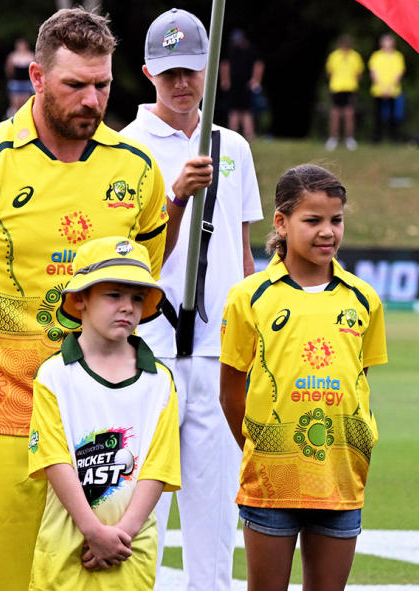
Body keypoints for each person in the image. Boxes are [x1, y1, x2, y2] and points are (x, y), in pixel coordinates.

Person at [0, 8, 168, 589]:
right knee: (3, 579)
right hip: (3, 417)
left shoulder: (138, 167)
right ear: (38, 77)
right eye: (75, 85)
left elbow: (143, 274)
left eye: (101, 85)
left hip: (101, 421)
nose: (92, 101)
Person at [119, 9, 264, 590]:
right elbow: (128, 255)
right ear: (150, 70)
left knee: (214, 513)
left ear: (211, 71)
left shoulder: (233, 147)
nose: (182, 84)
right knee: (137, 510)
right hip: (148, 348)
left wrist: (254, 343)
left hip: (219, 353)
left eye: (193, 71)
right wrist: (176, 198)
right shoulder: (125, 149)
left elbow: (245, 253)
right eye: (171, 72)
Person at [220, 164, 387, 590]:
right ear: (281, 221)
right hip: (272, 482)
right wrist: (263, 451)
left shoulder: (364, 299)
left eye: (336, 220)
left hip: (340, 479)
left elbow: (357, 384)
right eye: (312, 220)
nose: (327, 231)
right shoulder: (249, 297)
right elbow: (230, 393)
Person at [28, 237, 180, 590]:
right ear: (80, 299)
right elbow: (55, 460)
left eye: (137, 298)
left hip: (131, 551)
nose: (127, 307)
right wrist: (93, 531)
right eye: (114, 295)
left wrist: (119, 536)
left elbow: (158, 468)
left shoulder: (160, 380)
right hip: (65, 549)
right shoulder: (54, 375)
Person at [219, 29, 264, 142]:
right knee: (233, 110)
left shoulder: (251, 50)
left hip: (246, 85)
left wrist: (255, 81)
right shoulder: (230, 50)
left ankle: (249, 134)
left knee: (247, 111)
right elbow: (225, 64)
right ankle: (232, 134)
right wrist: (225, 80)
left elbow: (259, 65)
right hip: (233, 85)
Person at [325, 35, 363, 151]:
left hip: (349, 88)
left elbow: (359, 73)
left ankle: (349, 139)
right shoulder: (334, 56)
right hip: (337, 88)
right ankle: (333, 138)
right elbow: (329, 72)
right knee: (335, 113)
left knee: (349, 113)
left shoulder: (355, 56)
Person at [368, 34, 406, 143]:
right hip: (378, 91)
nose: (388, 44)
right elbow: (373, 73)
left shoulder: (398, 56)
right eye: (385, 41)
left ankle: (394, 139)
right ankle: (376, 139)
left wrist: (389, 88)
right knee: (377, 116)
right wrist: (382, 88)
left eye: (390, 41)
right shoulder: (376, 56)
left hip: (393, 91)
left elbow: (399, 73)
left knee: (395, 117)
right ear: (381, 43)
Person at [5, 39, 35, 117]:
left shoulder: (31, 56)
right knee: (15, 106)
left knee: (27, 105)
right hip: (16, 83)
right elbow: (9, 70)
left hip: (27, 83)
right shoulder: (12, 56)